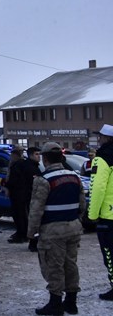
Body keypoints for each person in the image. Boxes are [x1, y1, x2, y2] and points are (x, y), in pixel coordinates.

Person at [27, 142, 85, 315]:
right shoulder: (74, 176)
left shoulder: (44, 180)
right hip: (73, 228)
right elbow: (82, 205)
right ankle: (71, 302)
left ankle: (55, 304)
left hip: (52, 231)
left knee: (54, 266)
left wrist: (31, 233)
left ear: (45, 159)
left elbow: (36, 209)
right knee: (71, 265)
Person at [88, 123, 113, 301]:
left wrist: (92, 215)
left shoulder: (102, 158)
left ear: (106, 138)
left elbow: (97, 189)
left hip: (108, 216)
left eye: (101, 136)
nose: (99, 139)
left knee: (110, 255)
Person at [6, 146, 41, 244]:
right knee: (21, 216)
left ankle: (23, 235)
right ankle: (23, 235)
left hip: (23, 195)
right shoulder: (26, 166)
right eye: (36, 154)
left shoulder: (30, 165)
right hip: (21, 195)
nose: (39, 157)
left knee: (23, 216)